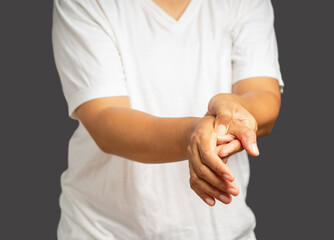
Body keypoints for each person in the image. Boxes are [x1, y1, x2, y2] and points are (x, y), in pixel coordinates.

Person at [52, 0, 284, 239]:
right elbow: (104, 119)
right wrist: (194, 134)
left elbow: (264, 94)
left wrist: (233, 112)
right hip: (104, 231)